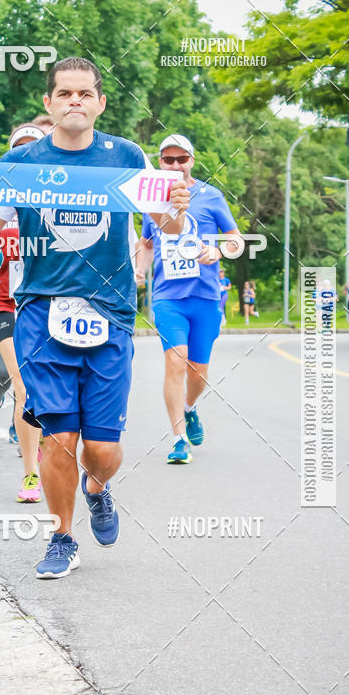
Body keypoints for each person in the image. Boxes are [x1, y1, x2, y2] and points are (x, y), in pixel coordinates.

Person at [0, 56, 190, 578]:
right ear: (49, 102)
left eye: (84, 94)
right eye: (64, 94)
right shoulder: (22, 164)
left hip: (109, 314)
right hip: (41, 313)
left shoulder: (125, 156)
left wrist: (175, 206)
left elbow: (170, 230)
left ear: (100, 102)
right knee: (59, 437)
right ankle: (62, 537)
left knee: (103, 449)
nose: (74, 102)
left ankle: (98, 486)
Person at [135, 133, 241, 464]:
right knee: (175, 359)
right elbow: (148, 244)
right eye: (168, 159)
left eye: (182, 159)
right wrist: (140, 271)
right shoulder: (153, 198)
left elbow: (236, 240)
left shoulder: (211, 196)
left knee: (199, 371)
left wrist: (218, 250)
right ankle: (179, 439)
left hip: (207, 296)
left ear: (192, 161)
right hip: (168, 297)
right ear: (161, 162)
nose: (176, 165)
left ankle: (189, 407)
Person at [0, 122, 46, 504]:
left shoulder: (59, 199)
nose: (27, 155)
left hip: (50, 309)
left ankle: (46, 450)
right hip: (9, 306)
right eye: (19, 149)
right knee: (20, 386)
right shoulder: (1, 201)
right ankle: (31, 475)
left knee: (40, 388)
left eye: (34, 148)